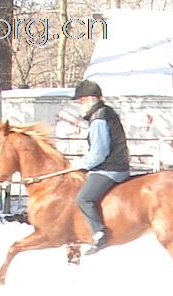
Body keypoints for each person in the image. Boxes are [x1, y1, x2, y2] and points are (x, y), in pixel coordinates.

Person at [70, 79, 130, 255]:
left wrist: (81, 165)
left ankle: (99, 233)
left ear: (89, 99)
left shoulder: (98, 118)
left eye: (80, 101)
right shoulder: (105, 112)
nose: (79, 105)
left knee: (83, 199)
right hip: (114, 164)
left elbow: (99, 152)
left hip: (110, 168)